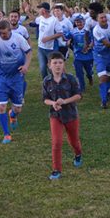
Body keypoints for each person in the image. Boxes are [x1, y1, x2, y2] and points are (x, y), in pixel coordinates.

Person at [42, 51, 83, 180]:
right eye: (55, 63)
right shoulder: (47, 81)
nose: (58, 65)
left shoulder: (70, 79)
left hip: (71, 114)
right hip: (55, 115)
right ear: (49, 65)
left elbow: (78, 95)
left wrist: (64, 101)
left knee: (74, 140)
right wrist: (53, 103)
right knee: (56, 142)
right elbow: (45, 99)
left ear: (64, 64)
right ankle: (56, 170)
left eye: (60, 62)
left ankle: (78, 154)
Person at [0, 20, 31, 144]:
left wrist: (26, 65)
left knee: (18, 108)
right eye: (0, 33)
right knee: (1, 106)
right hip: (2, 77)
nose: (2, 35)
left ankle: (13, 115)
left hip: (16, 77)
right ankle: (6, 134)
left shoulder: (18, 38)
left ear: (10, 30)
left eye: (4, 33)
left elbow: (29, 52)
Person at [35, 2, 65, 81]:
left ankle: (58, 81)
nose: (39, 10)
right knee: (42, 68)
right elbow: (34, 20)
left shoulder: (54, 20)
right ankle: (47, 83)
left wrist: (48, 38)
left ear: (44, 10)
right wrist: (27, 11)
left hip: (50, 48)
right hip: (41, 48)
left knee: (52, 68)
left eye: (40, 8)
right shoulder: (41, 18)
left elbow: (60, 33)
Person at [67, 15, 94, 92]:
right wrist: (67, 40)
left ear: (84, 22)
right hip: (78, 55)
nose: (79, 23)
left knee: (89, 72)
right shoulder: (73, 31)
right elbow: (66, 37)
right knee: (79, 72)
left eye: (80, 21)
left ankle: (90, 77)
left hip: (88, 55)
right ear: (75, 23)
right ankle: (81, 88)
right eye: (77, 22)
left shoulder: (88, 31)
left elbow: (93, 40)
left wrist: (89, 47)